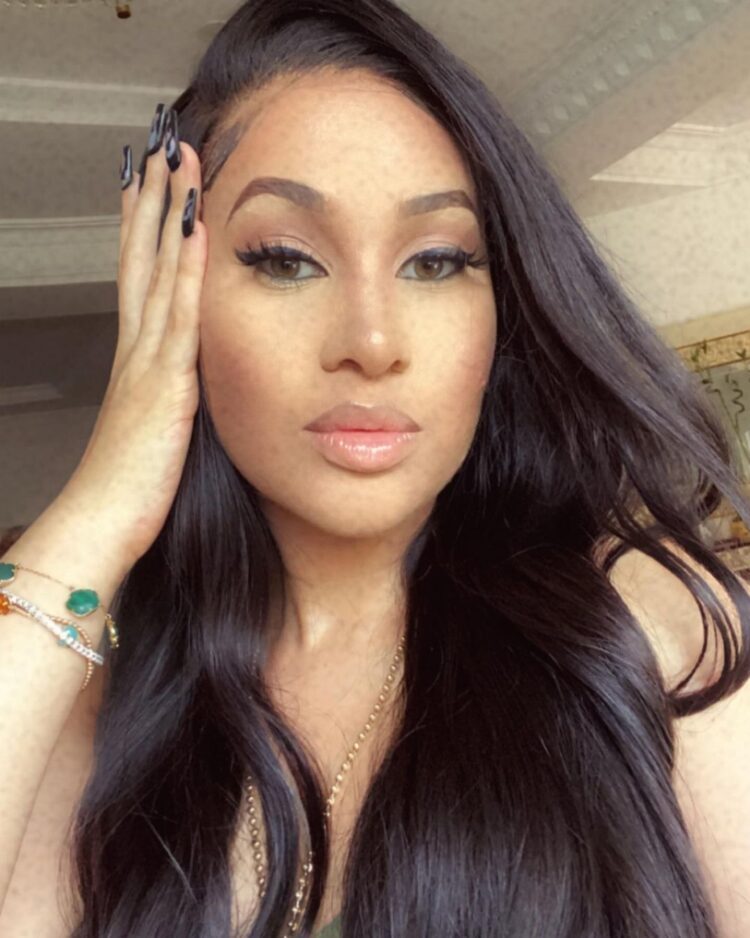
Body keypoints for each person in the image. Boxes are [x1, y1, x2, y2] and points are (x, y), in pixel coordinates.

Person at [1, 1, 749, 936]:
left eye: (436, 262)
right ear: (175, 299)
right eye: (285, 259)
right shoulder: (93, 694)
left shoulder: (650, 626)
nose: (372, 340)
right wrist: (98, 507)